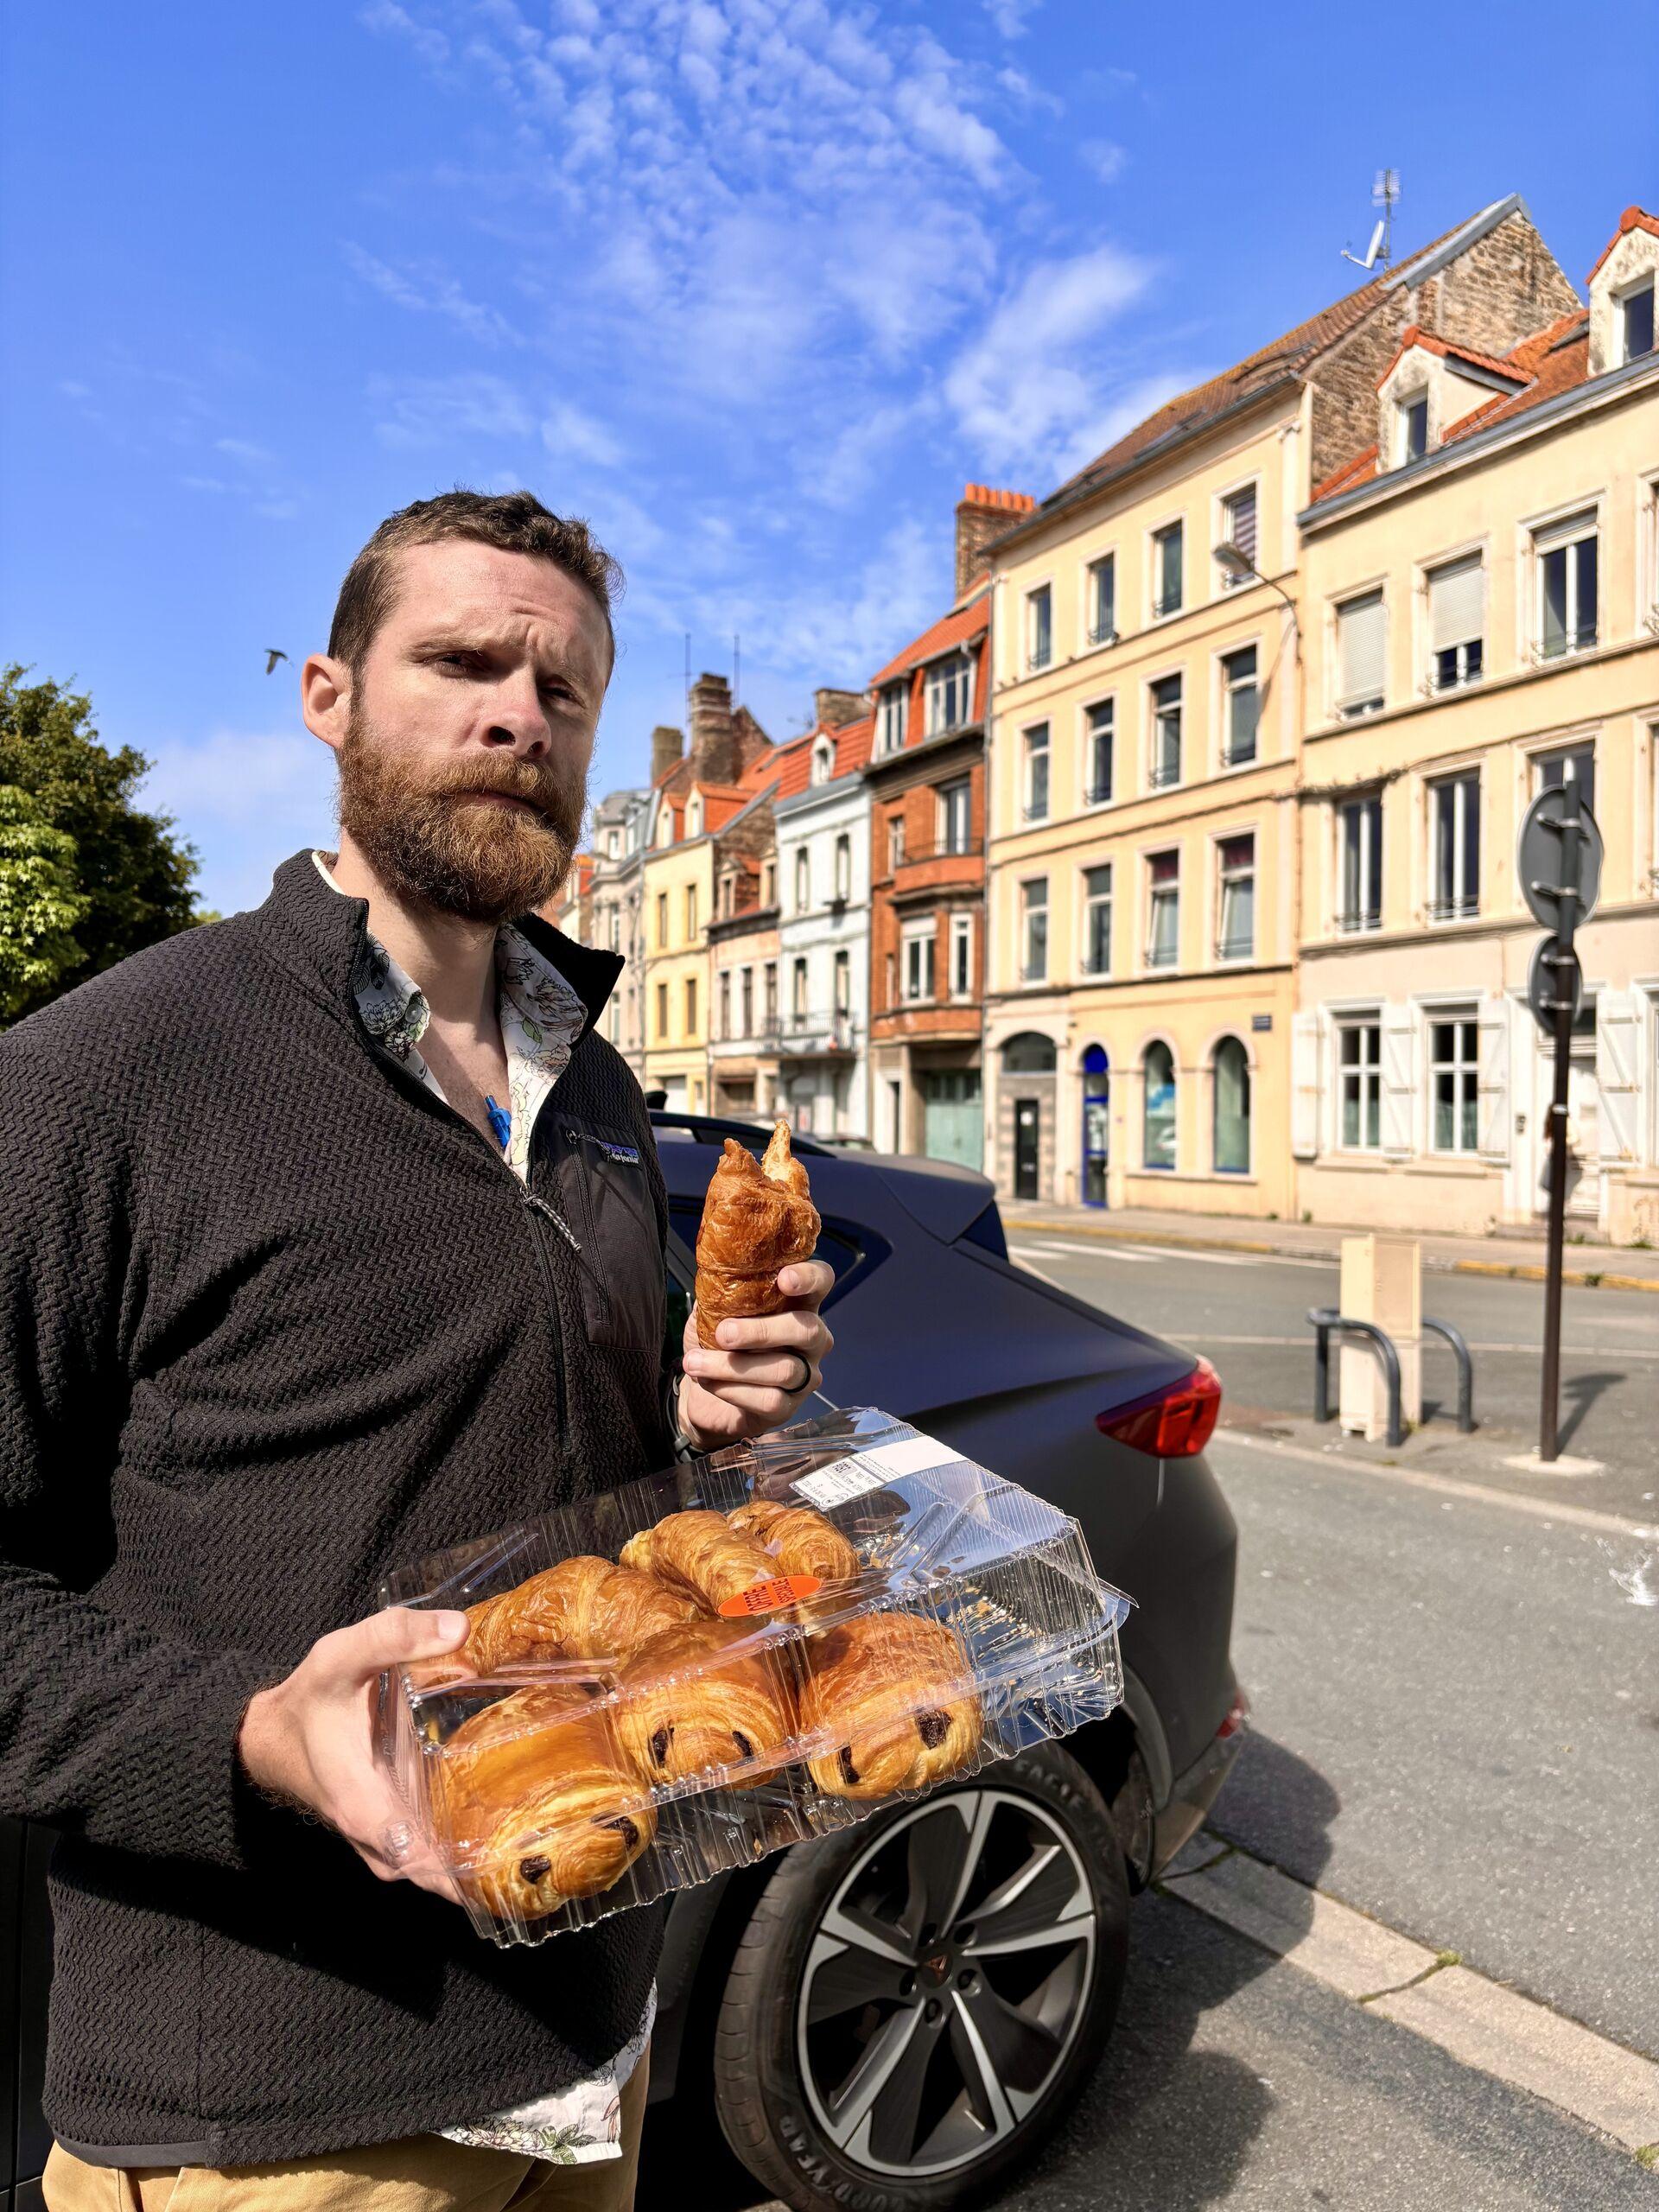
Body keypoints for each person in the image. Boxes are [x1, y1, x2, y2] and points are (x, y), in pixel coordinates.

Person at [0, 490, 835, 2212]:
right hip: (287, 2111)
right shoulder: (110, 1078)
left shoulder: (590, 1082)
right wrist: (250, 1731)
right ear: (328, 693)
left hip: (591, 2032)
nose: (518, 713)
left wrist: (697, 1415)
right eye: (462, 659)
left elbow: (542, 1473)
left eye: (564, 689)